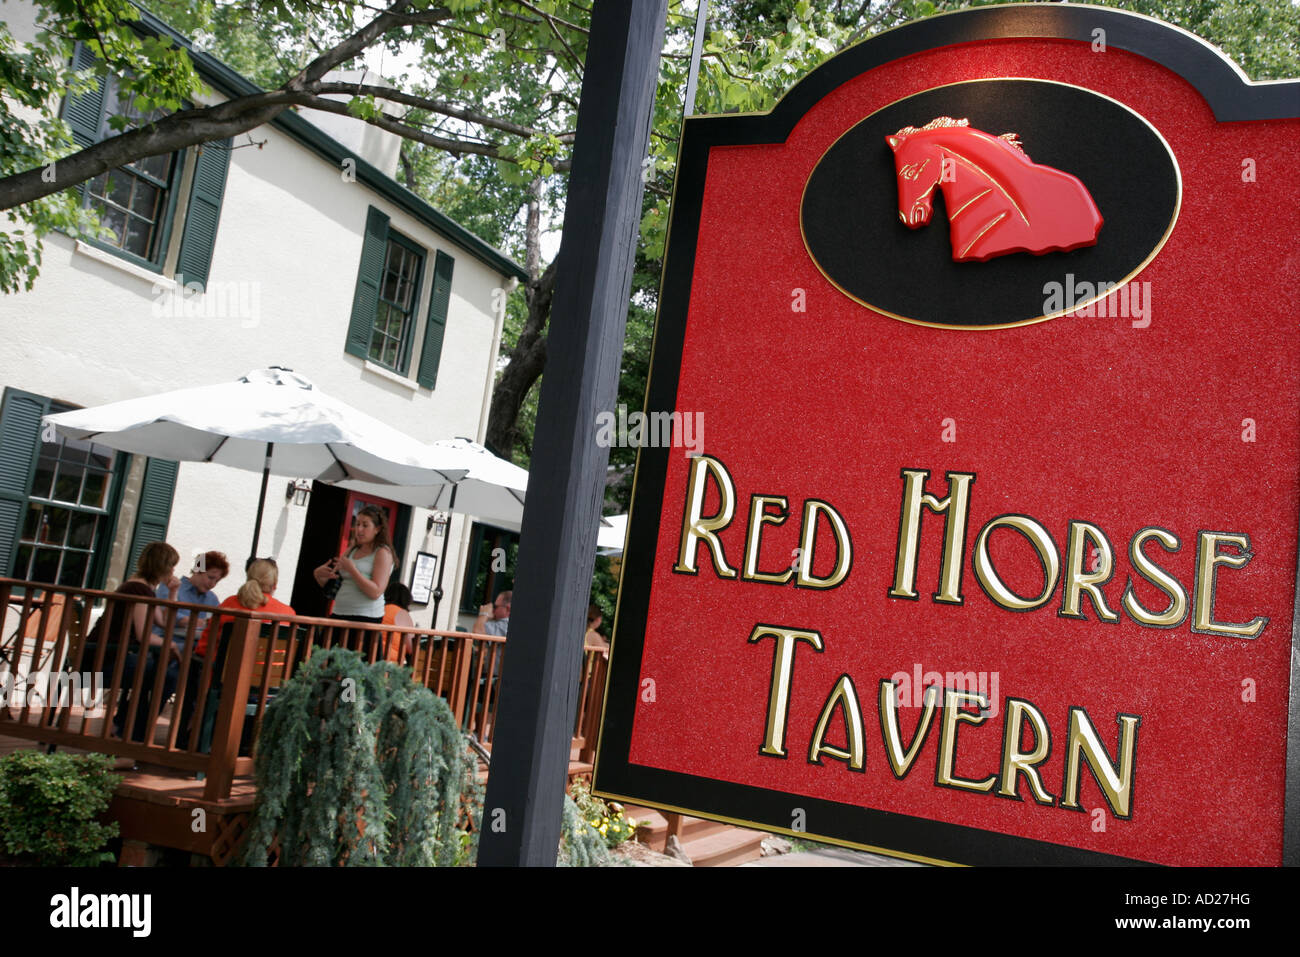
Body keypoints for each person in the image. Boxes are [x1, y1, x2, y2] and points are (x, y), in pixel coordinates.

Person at [93, 541, 180, 740]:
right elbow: (143, 635)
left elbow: (165, 622)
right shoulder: (138, 590)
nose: (173, 570)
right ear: (163, 567)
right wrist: (172, 645)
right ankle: (133, 732)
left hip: (113, 654)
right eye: (172, 566)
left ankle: (126, 727)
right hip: (106, 658)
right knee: (165, 676)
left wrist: (173, 593)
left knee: (157, 673)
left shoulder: (142, 588)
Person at [314, 505, 395, 654]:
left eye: (365, 525)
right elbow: (333, 588)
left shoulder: (383, 552)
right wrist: (319, 575)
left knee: (352, 672)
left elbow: (376, 592)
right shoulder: (352, 549)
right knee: (326, 665)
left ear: (377, 529)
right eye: (357, 524)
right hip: (339, 613)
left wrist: (352, 570)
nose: (359, 529)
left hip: (364, 619)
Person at [154, 550, 229, 648]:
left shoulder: (212, 598)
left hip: (196, 647)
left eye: (217, 581)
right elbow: (164, 616)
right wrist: (197, 622)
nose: (213, 584)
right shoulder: (170, 586)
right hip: (167, 642)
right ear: (197, 570)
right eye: (210, 577)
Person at [381, 582, 415, 664]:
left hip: (375, 654)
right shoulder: (402, 614)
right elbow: (410, 648)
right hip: (393, 660)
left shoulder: (380, 609)